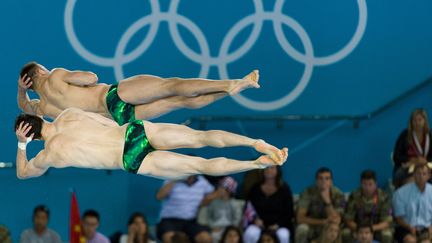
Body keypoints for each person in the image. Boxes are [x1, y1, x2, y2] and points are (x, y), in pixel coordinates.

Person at [14, 108, 287, 179]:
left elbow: (23, 173)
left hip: (129, 160)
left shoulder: (50, 154)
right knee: (200, 138)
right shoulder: (69, 114)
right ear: (38, 118)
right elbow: (106, 121)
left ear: (32, 136)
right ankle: (255, 142)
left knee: (200, 166)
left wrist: (21, 145)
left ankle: (255, 165)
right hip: (132, 133)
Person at [18, 62, 259, 124]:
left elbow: (24, 106)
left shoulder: (41, 107)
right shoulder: (56, 75)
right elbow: (92, 78)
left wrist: (21, 90)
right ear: (40, 70)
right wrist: (76, 78)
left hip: (116, 119)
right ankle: (229, 84)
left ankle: (231, 90)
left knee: (178, 103)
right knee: (172, 85)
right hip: (111, 97)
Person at [156, 175, 215, 243]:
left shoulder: (203, 182)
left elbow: (212, 194)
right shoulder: (172, 179)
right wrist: (174, 180)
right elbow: (159, 196)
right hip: (169, 220)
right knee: (169, 238)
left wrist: (208, 199)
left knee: (206, 238)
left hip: (190, 221)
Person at [243, 166, 294, 243]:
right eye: (266, 168)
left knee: (283, 235)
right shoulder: (255, 188)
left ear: (277, 171)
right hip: (259, 224)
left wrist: (278, 224)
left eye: (272, 168)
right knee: (250, 233)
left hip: (279, 225)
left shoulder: (284, 189)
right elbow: (248, 208)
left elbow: (289, 212)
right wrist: (254, 220)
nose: (269, 170)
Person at [295, 167, 345, 243]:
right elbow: (300, 218)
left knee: (336, 230)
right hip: (313, 225)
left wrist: (327, 201)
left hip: (331, 227)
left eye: (327, 178)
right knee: (302, 229)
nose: (323, 181)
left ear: (331, 181)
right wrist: (323, 222)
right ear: (316, 181)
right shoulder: (308, 192)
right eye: (320, 178)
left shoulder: (338, 194)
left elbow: (336, 220)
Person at [343, 170, 393, 243]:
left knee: (387, 235)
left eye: (370, 184)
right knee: (345, 233)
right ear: (361, 184)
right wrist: (361, 230)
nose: (367, 187)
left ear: (375, 184)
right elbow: (348, 220)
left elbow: (387, 221)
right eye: (364, 184)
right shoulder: (354, 195)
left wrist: (370, 229)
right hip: (358, 228)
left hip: (376, 228)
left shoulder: (383, 197)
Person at [393, 163, 432, 243]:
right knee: (411, 241)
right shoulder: (400, 193)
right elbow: (398, 218)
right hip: (406, 228)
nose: (421, 176)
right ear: (414, 175)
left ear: (429, 176)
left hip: (427, 227)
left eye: (424, 174)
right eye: (418, 173)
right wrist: (409, 227)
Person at [393, 108, 432, 187]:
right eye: (414, 120)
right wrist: (412, 160)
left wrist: (424, 161)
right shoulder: (405, 135)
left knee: (424, 176)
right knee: (400, 175)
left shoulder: (430, 135)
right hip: (409, 166)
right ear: (411, 122)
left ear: (425, 121)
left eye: (419, 120)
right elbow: (396, 156)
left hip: (427, 165)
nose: (417, 123)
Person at [206, 177, 242, 242]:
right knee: (213, 236)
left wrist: (227, 229)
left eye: (222, 187)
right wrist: (212, 227)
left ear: (228, 191)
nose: (219, 189)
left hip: (229, 229)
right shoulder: (214, 202)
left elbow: (237, 219)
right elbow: (209, 216)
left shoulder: (234, 203)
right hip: (216, 228)